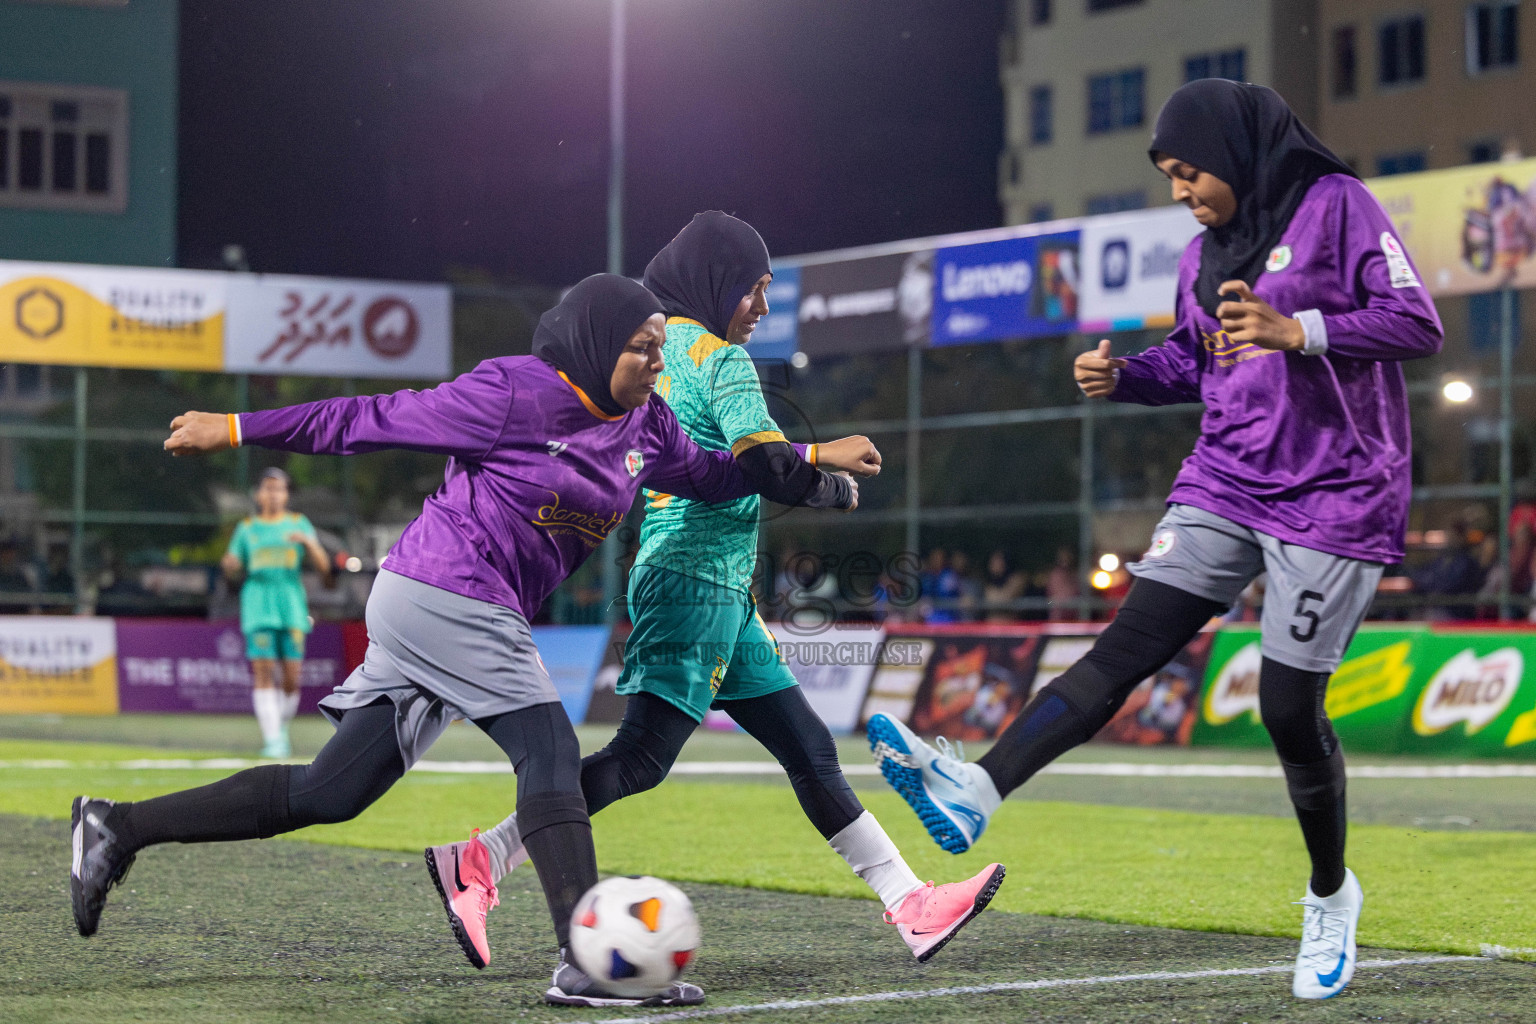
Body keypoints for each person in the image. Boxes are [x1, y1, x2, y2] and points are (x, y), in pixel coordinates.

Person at [69, 274, 859, 1009]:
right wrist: (236, 426)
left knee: (329, 793)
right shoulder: (513, 393)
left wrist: (812, 472)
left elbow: (716, 474)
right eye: (643, 345)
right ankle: (588, 962)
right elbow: (363, 421)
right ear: (594, 342)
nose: (659, 360)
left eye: (661, 345)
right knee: (549, 751)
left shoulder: (646, 424)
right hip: (447, 589)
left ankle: (117, 827)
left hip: (450, 606)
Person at [866, 80, 1442, 1001]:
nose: (1181, 191)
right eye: (1170, 176)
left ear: (1237, 151)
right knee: (1126, 646)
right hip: (1226, 477)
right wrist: (1126, 376)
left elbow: (1417, 322)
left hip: (1336, 494)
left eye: (1190, 171)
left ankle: (1332, 895)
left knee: (1290, 710)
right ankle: (976, 794)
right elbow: (1197, 356)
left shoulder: (1339, 206)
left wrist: (1301, 330)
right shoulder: (1202, 255)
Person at [424, 213, 1003, 974]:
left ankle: (911, 905)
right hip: (696, 581)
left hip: (705, 584)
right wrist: (831, 487)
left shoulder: (664, 354)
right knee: (640, 760)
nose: (762, 307)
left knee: (810, 750)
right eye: (755, 290)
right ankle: (483, 860)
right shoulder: (723, 361)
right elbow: (761, 463)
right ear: (721, 283)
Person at [222, 467, 333, 758]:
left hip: (291, 604)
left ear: (286, 494)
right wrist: (230, 564)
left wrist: (310, 544)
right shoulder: (247, 528)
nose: (273, 494)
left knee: (292, 676)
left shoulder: (299, 523)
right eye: (268, 488)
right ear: (258, 494)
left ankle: (280, 727)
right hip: (258, 604)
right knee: (263, 671)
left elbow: (324, 569)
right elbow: (231, 563)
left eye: (279, 488)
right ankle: (273, 739)